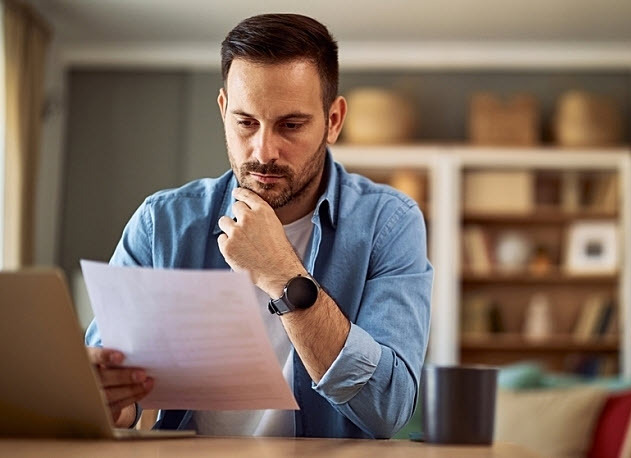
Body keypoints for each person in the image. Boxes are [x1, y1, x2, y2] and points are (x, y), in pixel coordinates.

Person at [84, 13, 432, 439]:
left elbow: (389, 408)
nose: (263, 151)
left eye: (290, 125)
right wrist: (108, 402)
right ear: (223, 109)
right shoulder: (161, 225)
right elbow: (115, 397)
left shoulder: (390, 224)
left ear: (334, 120)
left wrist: (284, 276)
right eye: (246, 122)